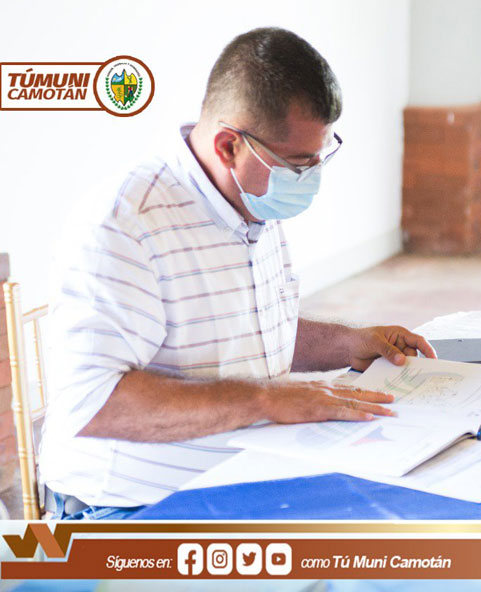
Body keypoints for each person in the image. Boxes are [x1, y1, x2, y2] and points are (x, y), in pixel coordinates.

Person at [41, 27, 436, 519]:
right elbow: (93, 404)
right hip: (132, 509)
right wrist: (265, 399)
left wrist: (345, 344)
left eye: (321, 156)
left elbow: (242, 337)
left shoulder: (252, 201)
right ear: (229, 146)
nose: (312, 177)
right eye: (299, 164)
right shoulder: (125, 223)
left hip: (244, 478)